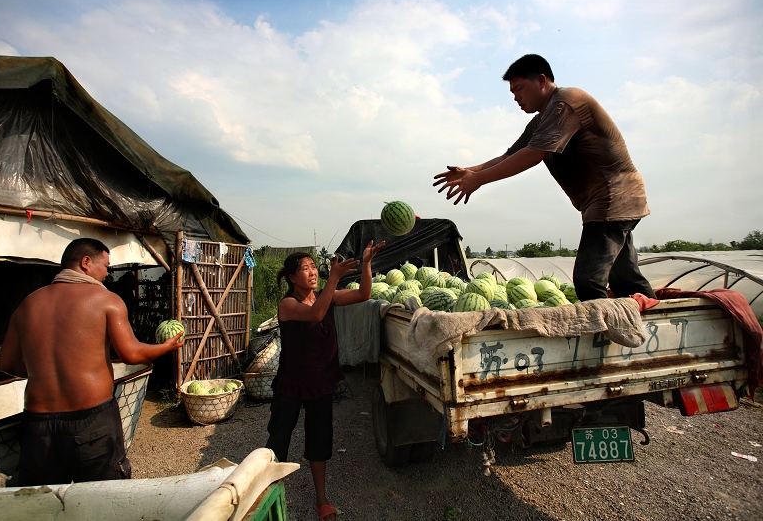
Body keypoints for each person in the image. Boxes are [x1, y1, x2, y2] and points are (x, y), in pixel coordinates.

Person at [434, 53, 656, 301]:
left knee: (588, 280)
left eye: (519, 89)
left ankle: (607, 335)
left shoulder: (565, 103)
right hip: (609, 201)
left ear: (541, 81)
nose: (516, 97)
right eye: (512, 93)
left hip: (613, 197)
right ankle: (658, 321)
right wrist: (472, 171)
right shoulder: (542, 120)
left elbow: (534, 154)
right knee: (625, 279)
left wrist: (480, 180)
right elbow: (510, 155)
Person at [0, 238, 186, 486]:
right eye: (106, 266)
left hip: (38, 426)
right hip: (91, 423)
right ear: (86, 263)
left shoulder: (28, 304)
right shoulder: (106, 299)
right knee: (103, 498)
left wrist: (43, 370)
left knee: (44, 503)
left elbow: (6, 363)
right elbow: (131, 354)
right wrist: (166, 347)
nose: (107, 273)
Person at [265, 240, 385, 521]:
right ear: (292, 278)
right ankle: (268, 494)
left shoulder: (325, 295)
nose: (311, 272)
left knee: (319, 439)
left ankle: (321, 499)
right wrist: (333, 276)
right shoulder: (288, 304)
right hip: (292, 382)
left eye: (312, 267)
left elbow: (364, 294)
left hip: (321, 380)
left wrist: (366, 262)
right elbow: (316, 314)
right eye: (304, 269)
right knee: (279, 437)